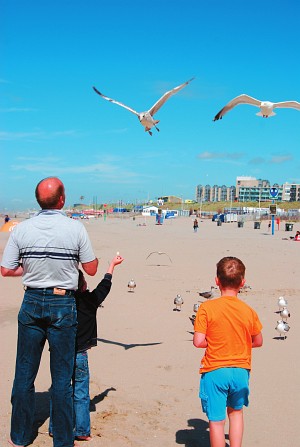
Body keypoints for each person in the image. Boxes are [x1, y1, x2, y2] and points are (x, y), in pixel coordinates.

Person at [1, 177, 98, 447]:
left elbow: (6, 269)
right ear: (62, 199)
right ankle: (64, 441)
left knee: (24, 373)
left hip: (32, 299)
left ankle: (19, 437)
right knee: (62, 377)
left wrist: (32, 268)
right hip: (62, 303)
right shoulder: (74, 228)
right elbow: (91, 269)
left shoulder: (22, 229)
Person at [49, 253, 124, 441]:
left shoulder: (59, 302)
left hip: (60, 352)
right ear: (83, 286)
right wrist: (112, 266)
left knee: (60, 389)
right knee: (81, 393)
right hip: (80, 353)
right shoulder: (90, 301)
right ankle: (81, 430)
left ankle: (55, 428)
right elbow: (104, 286)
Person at [193, 257, 263, 447]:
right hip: (241, 370)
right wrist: (238, 341)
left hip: (215, 370)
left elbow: (198, 341)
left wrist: (217, 341)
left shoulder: (207, 308)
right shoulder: (248, 311)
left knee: (216, 421)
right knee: (236, 413)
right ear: (242, 283)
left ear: (217, 281)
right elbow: (258, 341)